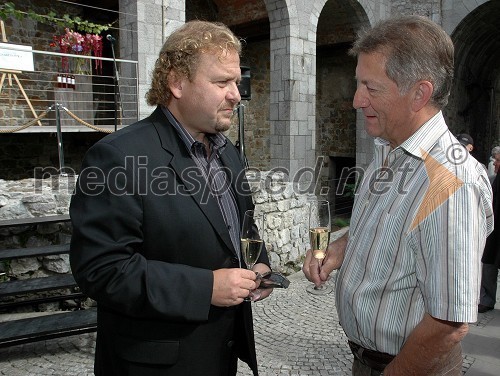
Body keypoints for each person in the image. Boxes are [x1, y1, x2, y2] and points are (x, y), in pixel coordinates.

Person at [70, 20, 272, 376]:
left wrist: (259, 263)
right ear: (177, 82)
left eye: (236, 82)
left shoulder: (228, 152)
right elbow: (102, 270)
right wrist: (206, 287)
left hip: (220, 355)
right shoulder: (118, 157)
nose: (236, 95)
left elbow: (243, 223)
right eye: (221, 82)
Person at [303, 15, 493, 375]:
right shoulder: (387, 149)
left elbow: (449, 323)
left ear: (419, 93)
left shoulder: (451, 183)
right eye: (358, 84)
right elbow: (383, 229)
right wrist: (339, 249)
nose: (357, 100)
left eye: (371, 88)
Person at [478, 147, 500, 313]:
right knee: (488, 266)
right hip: (494, 230)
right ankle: (487, 299)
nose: (495, 162)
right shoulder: (494, 178)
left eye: (498, 160)